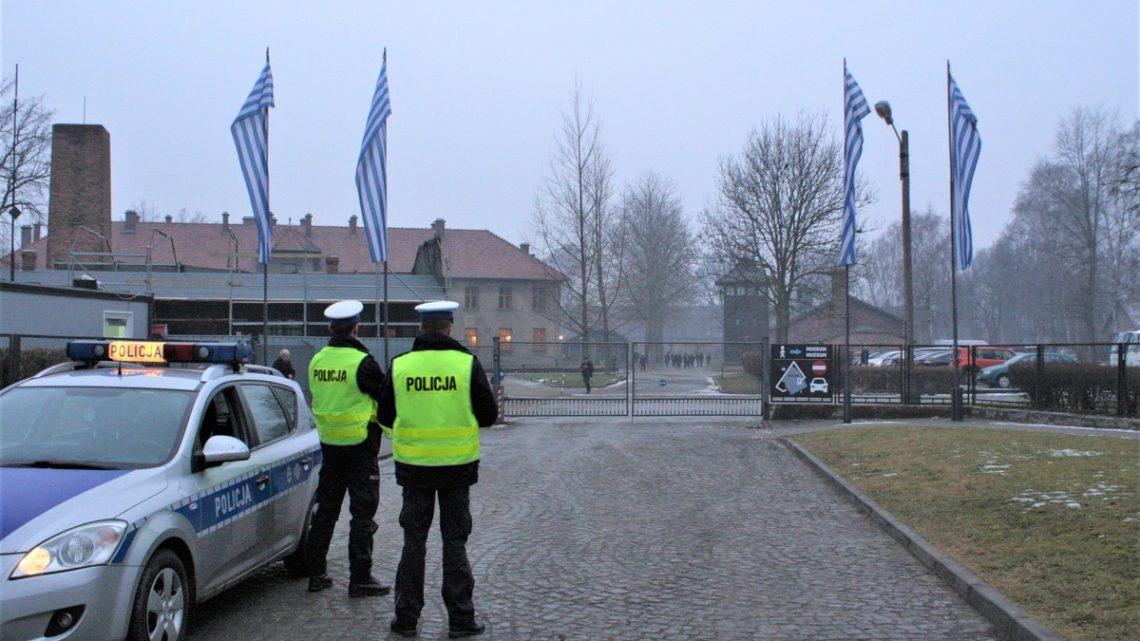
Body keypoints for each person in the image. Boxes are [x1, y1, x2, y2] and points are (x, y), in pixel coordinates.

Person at [379, 300, 498, 639]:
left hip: (414, 469)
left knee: (413, 542)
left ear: (421, 328)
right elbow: (488, 415)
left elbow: (385, 416)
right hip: (457, 469)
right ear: (449, 327)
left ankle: (406, 619)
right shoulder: (466, 364)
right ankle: (460, 619)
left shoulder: (400, 366)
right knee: (454, 542)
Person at [304, 300, 390, 598]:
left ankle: (315, 573)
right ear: (357, 327)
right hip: (360, 448)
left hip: (329, 447)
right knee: (362, 514)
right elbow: (384, 396)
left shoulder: (317, 361)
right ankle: (360, 578)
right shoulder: (362, 362)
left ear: (330, 328)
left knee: (326, 511)